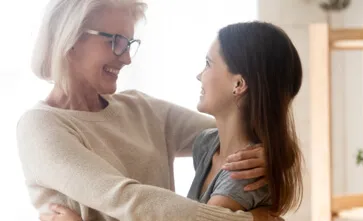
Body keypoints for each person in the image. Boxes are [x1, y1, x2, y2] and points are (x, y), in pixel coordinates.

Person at [16, 0, 276, 221]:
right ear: (70, 39)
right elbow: (125, 198)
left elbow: (237, 132)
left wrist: (273, 153)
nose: (127, 57)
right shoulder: (40, 126)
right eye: (115, 41)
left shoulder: (143, 109)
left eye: (129, 43)